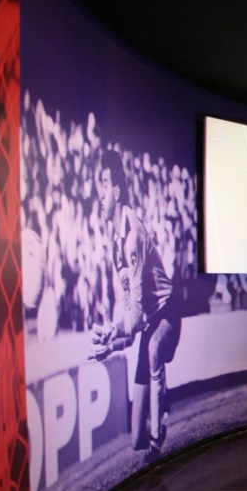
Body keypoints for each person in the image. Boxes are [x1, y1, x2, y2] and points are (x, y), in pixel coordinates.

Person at [89, 149, 183, 460]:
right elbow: (129, 317)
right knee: (135, 441)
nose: (99, 194)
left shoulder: (132, 236)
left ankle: (159, 443)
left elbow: (139, 312)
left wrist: (114, 330)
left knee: (155, 349)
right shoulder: (115, 242)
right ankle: (155, 427)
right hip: (147, 322)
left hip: (168, 313)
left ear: (116, 190)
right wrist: (111, 345)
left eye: (103, 185)